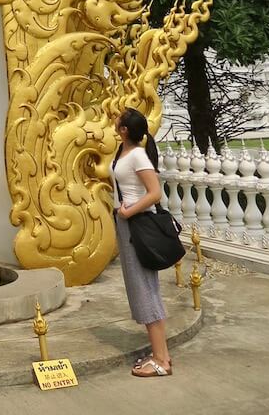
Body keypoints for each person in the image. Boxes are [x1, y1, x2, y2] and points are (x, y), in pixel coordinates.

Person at [112, 107, 172, 378]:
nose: (114, 119)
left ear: (124, 129)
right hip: (127, 225)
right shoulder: (123, 151)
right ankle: (161, 354)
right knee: (142, 289)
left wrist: (129, 211)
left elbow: (155, 193)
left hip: (137, 225)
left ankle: (161, 361)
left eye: (119, 118)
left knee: (145, 290)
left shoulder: (137, 155)